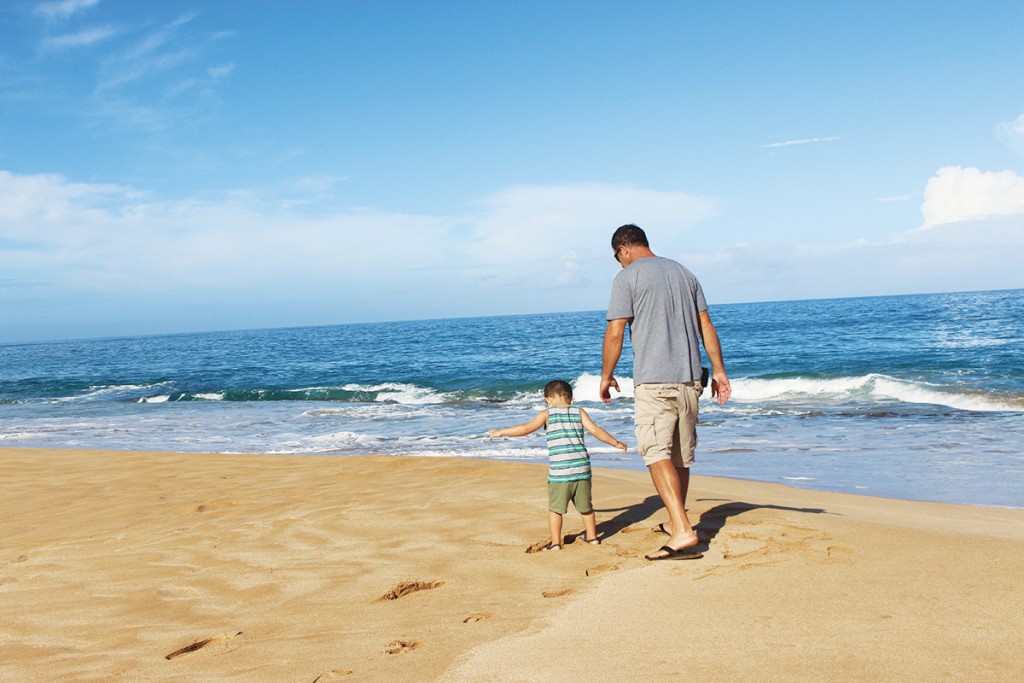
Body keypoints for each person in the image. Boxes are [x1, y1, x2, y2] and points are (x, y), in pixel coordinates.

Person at [599, 224, 731, 561]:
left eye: (618, 259)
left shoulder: (627, 278)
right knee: (679, 457)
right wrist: (719, 371)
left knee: (656, 454)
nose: (621, 264)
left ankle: (684, 531)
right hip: (690, 381)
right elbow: (706, 326)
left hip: (654, 382)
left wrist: (606, 375)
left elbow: (615, 331)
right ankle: (678, 522)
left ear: (623, 249)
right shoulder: (684, 273)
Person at [489, 380, 627, 550]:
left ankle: (555, 543)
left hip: (560, 474)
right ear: (570, 398)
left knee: (556, 510)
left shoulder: (547, 414)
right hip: (582, 470)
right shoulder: (579, 411)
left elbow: (526, 429)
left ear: (548, 399)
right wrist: (616, 443)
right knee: (586, 508)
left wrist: (502, 432)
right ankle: (592, 538)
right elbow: (596, 430)